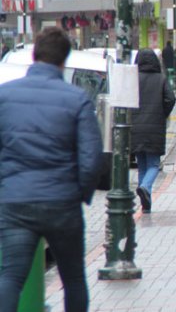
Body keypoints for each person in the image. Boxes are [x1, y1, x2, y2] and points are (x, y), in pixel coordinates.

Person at [0, 27, 104, 312]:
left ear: (34, 56)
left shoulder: (4, 96)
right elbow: (91, 157)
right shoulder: (77, 99)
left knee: (10, 277)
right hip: (62, 203)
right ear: (64, 60)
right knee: (72, 278)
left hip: (16, 202)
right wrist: (78, 194)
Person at [131, 49, 176, 213]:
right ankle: (145, 187)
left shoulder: (132, 79)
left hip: (135, 128)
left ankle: (145, 203)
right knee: (154, 165)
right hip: (154, 127)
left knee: (142, 165)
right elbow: (170, 99)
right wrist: (162, 113)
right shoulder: (161, 79)